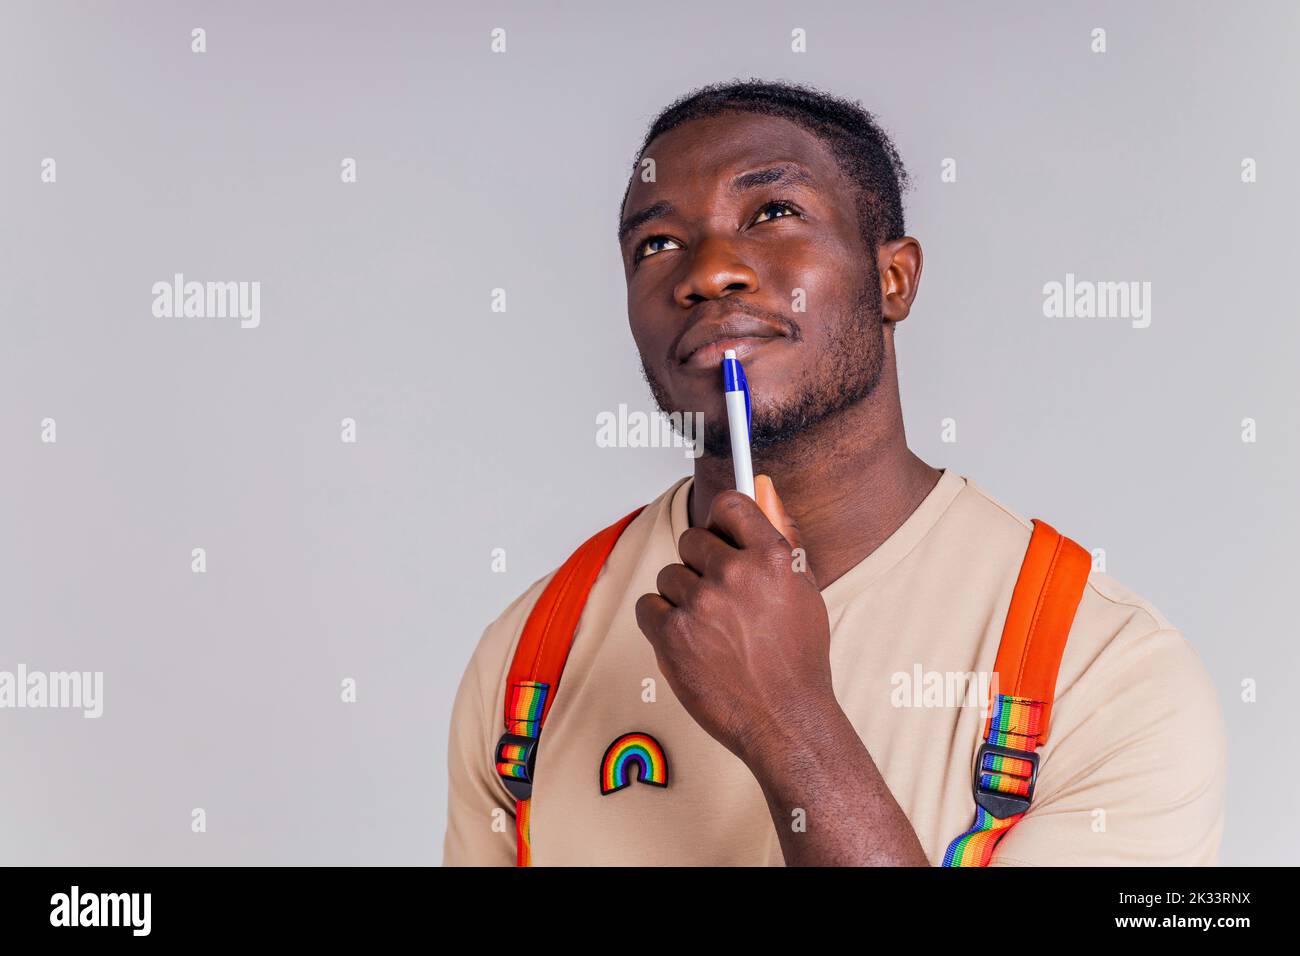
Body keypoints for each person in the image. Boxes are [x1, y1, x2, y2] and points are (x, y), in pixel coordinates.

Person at [443, 80, 1226, 866]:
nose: (709, 273)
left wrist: (787, 717)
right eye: (658, 245)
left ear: (895, 279)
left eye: (772, 213)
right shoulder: (527, 657)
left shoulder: (1106, 676)